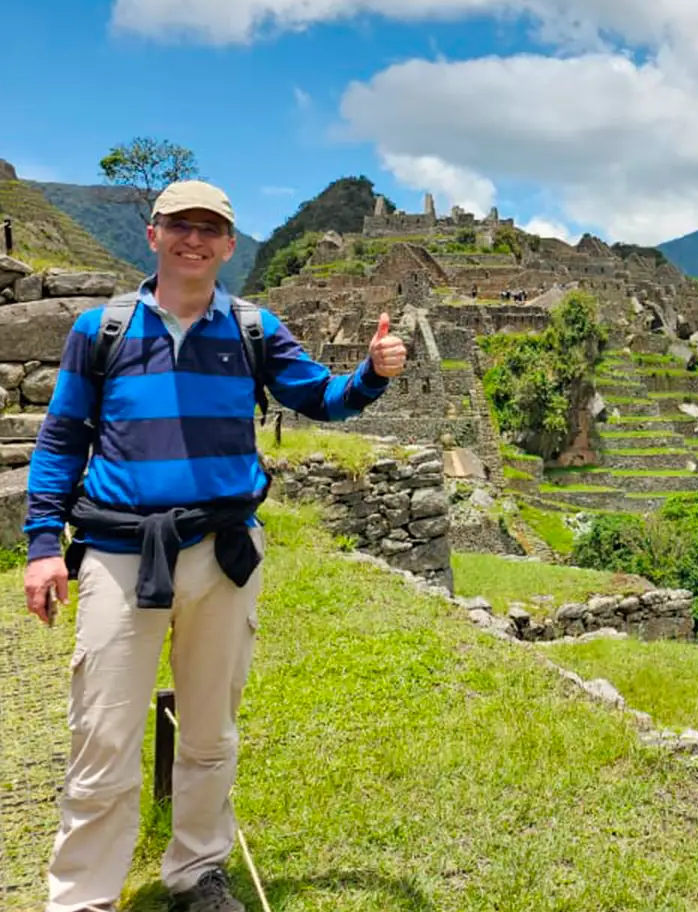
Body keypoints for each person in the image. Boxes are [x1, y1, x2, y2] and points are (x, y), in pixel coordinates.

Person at [21, 179, 409, 912]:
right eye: (179, 226)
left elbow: (319, 398)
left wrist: (371, 375)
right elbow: (62, 437)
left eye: (209, 229)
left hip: (223, 554)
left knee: (209, 730)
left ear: (229, 245)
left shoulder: (253, 328)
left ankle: (197, 871)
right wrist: (45, 544)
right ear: (154, 234)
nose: (193, 240)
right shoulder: (99, 330)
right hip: (119, 551)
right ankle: (82, 895)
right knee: (102, 732)